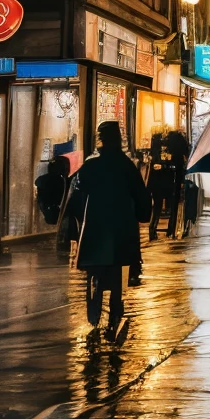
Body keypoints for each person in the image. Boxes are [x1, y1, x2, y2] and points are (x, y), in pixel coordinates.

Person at [64, 119, 149, 342]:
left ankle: (95, 308)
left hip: (96, 224)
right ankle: (114, 313)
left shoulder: (91, 166)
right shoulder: (126, 166)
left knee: (96, 268)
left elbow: (77, 196)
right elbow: (140, 194)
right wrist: (142, 216)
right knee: (117, 268)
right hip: (121, 224)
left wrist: (74, 222)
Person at [146, 137, 177, 241]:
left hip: (159, 185)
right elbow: (173, 167)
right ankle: (162, 230)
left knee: (157, 209)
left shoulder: (155, 156)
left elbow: (152, 172)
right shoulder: (165, 155)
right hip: (164, 184)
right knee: (159, 208)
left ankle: (154, 229)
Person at [165, 130, 189, 238]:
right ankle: (176, 228)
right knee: (179, 202)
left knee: (173, 203)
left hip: (171, 179)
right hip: (180, 176)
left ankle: (171, 228)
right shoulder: (181, 155)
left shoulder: (171, 153)